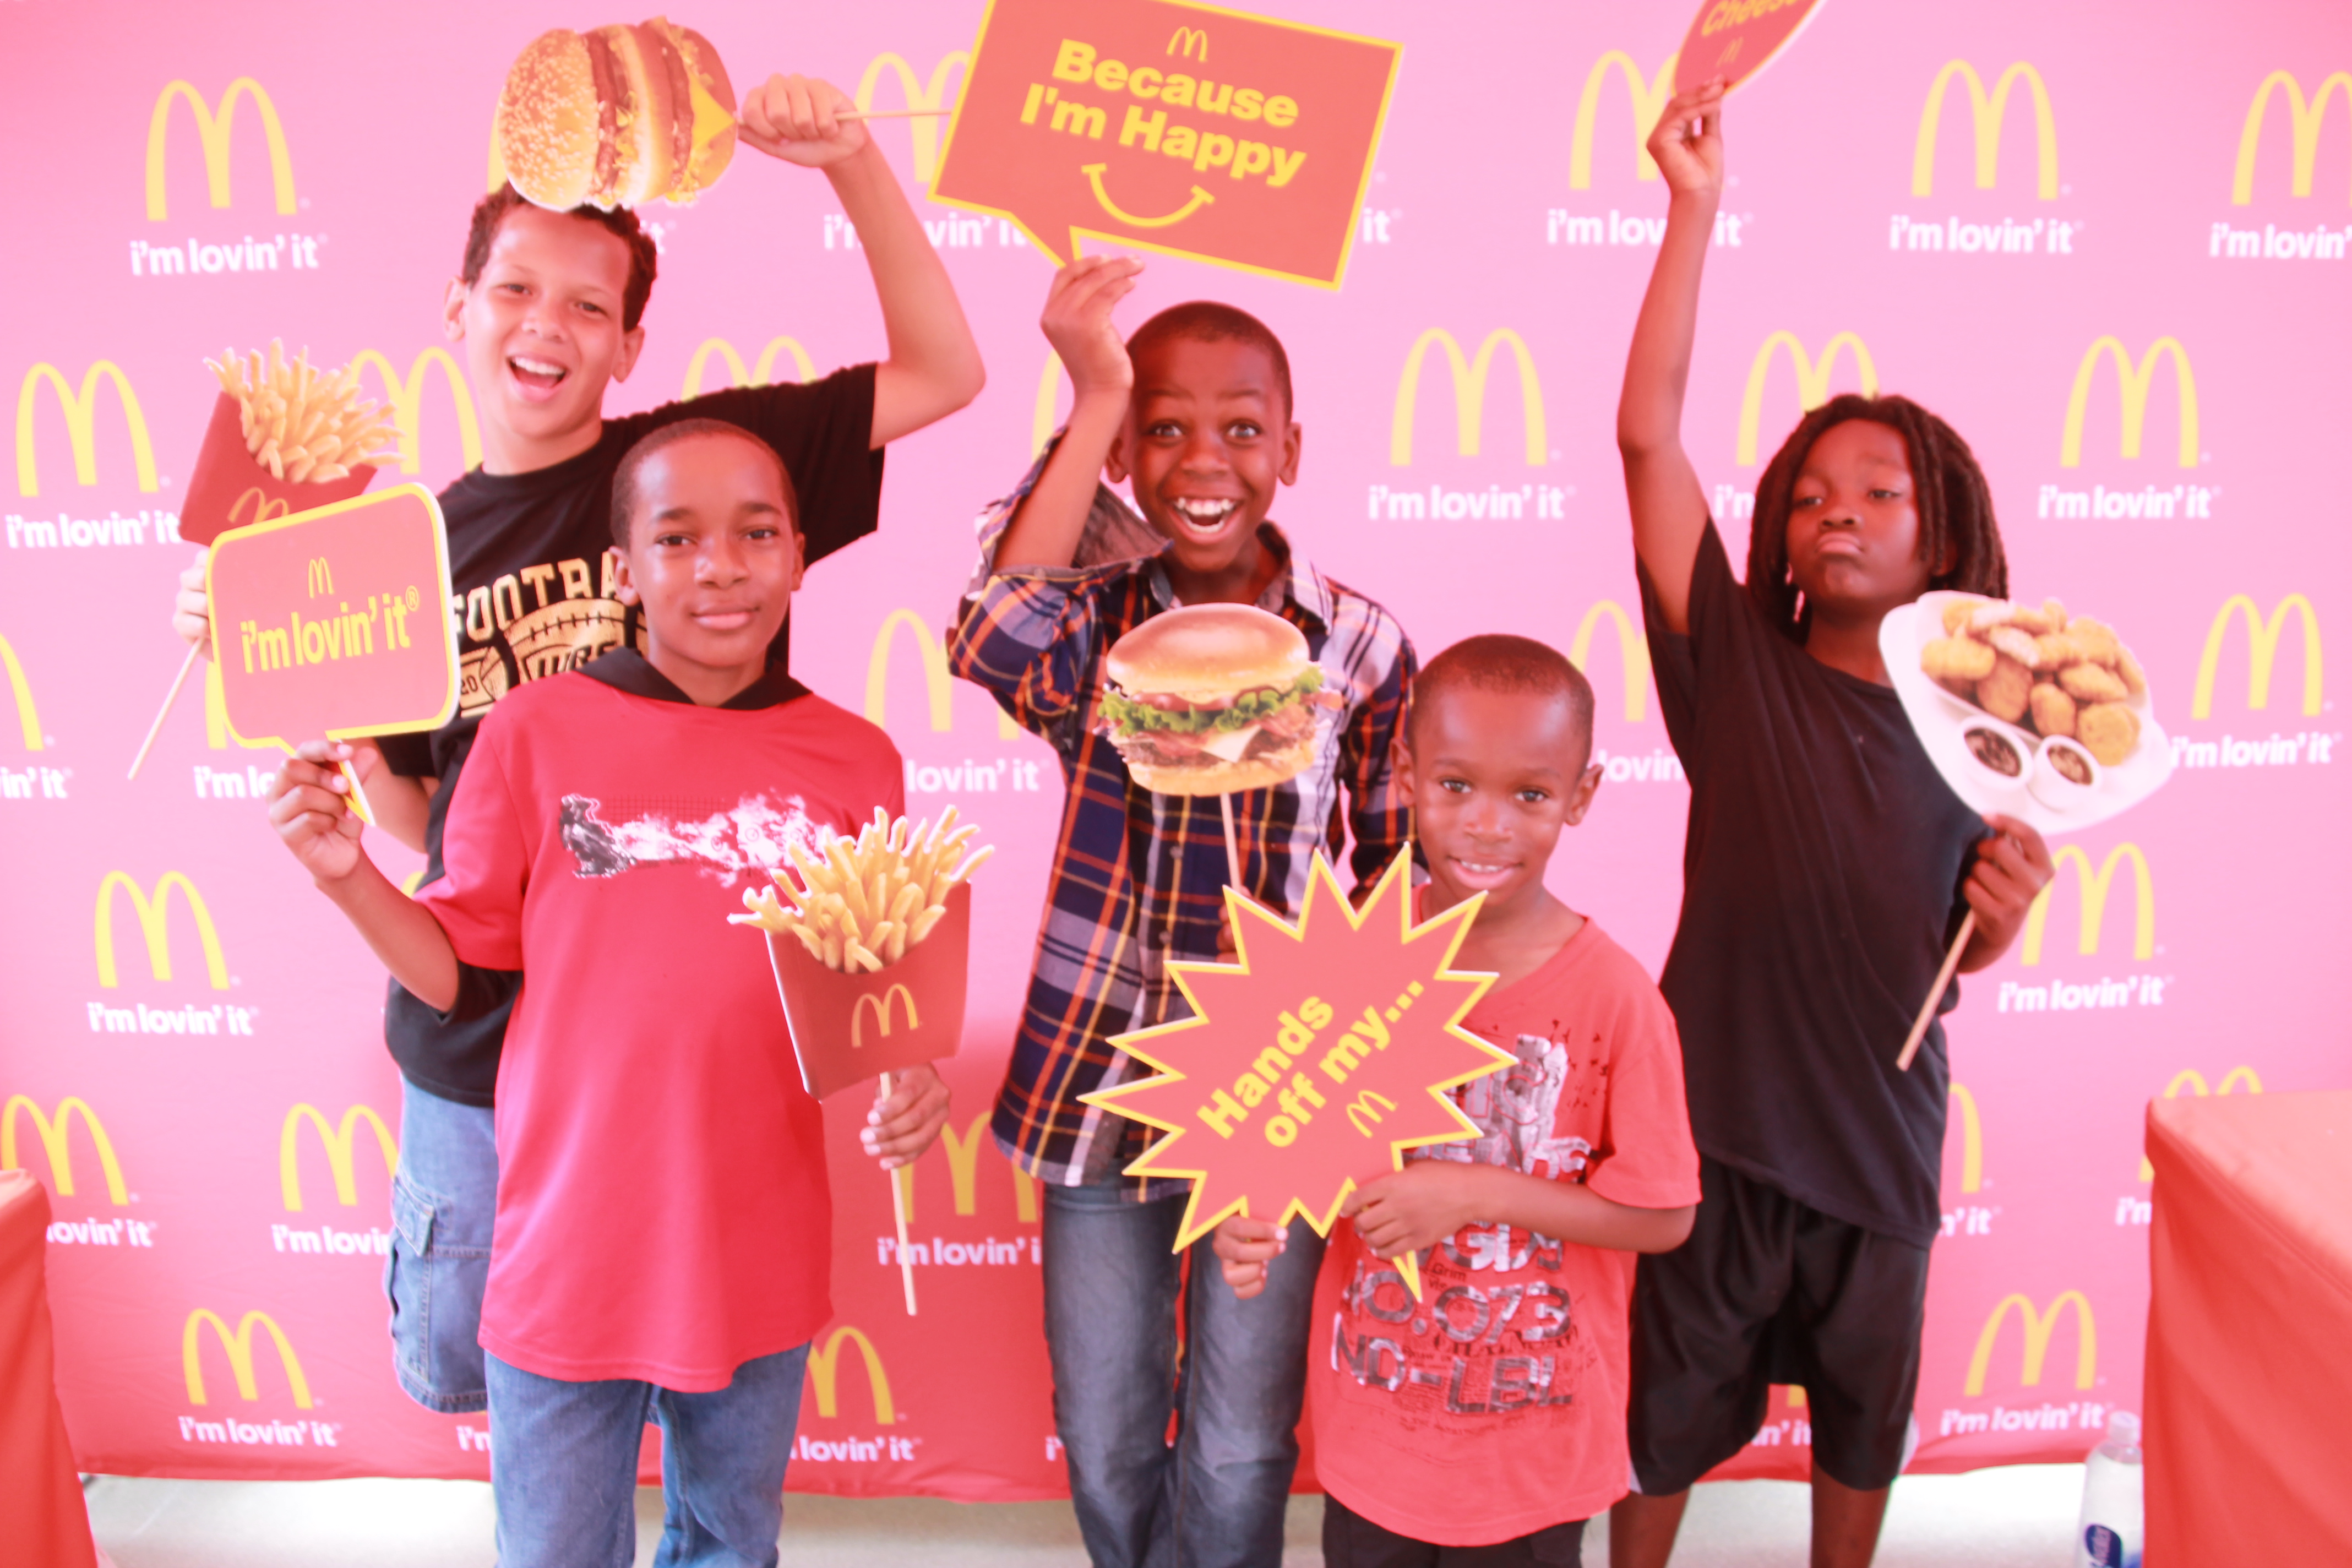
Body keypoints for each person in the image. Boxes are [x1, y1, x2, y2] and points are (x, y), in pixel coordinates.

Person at [172, 71, 982, 1419]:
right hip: (486, 1026)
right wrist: (264, 652)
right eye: (515, 288)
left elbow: (947, 371)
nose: (548, 323)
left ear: (629, 344)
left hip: (676, 1029)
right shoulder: (397, 557)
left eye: (589, 306)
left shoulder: (702, 468)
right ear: (457, 307)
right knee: (459, 1357)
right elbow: (425, 821)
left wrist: (851, 163)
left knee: (693, 1359)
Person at [263, 421, 947, 1566]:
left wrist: (910, 1070)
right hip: (570, 1246)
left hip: (757, 1245)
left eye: (756, 534)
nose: (721, 567)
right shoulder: (535, 729)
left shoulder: (857, 757)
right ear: (622, 570)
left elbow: (876, 987)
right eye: (677, 538)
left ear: (798, 554)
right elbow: (459, 968)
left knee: (733, 1541)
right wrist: (347, 876)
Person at [1608, 82, 2056, 1568]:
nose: (1839, 510)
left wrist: (2001, 921)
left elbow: (1950, 947)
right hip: (1717, 1132)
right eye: (1810, 495)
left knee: (1865, 1417)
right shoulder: (1734, 668)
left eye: (1879, 490)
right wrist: (1693, 208)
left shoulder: (1991, 725)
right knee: (1665, 1407)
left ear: (1946, 533)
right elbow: (1646, 436)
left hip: (1880, 1142)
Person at [946, 258, 1414, 1568]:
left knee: (1242, 1434)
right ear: (1123, 456)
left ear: (1291, 450)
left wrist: (1349, 1087)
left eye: (1242, 428)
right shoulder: (1090, 622)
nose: (1204, 458)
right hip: (1099, 1075)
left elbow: (1394, 882)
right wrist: (1093, 386)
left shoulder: (1363, 643)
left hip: (1281, 1094)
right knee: (1104, 1426)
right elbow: (988, 637)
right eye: (1161, 426)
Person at [1213, 635, 1702, 1568]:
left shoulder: (1617, 999)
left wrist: (1474, 1193)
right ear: (1405, 774)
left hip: (1534, 1456)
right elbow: (1290, 1146)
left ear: (1582, 797)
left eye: (1530, 795)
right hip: (1376, 1441)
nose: (1486, 825)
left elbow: (1666, 1215)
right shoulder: (1350, 965)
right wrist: (1253, 1219)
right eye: (1454, 786)